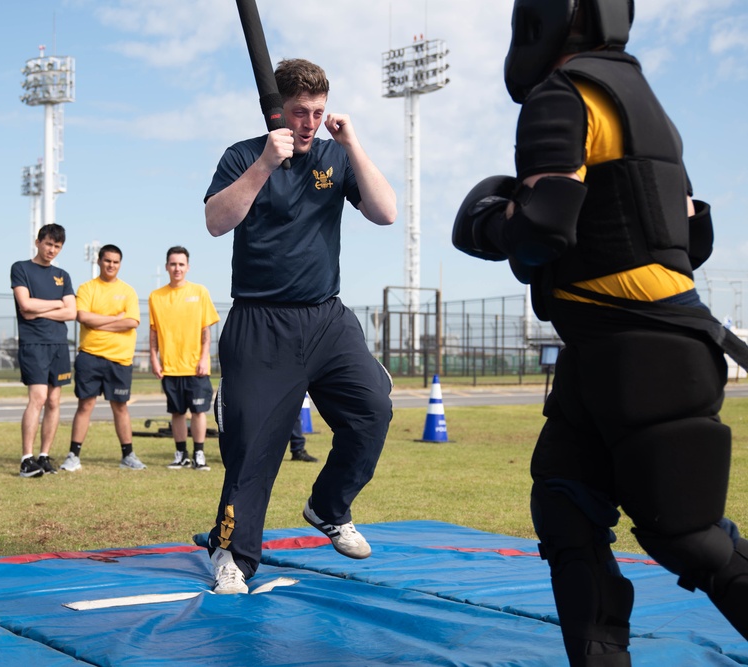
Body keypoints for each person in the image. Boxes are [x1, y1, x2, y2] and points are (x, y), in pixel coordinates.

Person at [452, 0, 748, 662]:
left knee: (688, 534)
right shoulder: (649, 108)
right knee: (564, 502)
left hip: (644, 352)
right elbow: (694, 236)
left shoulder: (563, 94)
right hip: (613, 348)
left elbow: (545, 228)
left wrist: (490, 222)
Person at [203, 58, 396, 594]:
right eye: (299, 112)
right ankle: (233, 554)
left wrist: (353, 142)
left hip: (325, 317)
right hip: (261, 320)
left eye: (318, 112)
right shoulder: (245, 155)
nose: (310, 122)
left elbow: (386, 212)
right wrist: (264, 163)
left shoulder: (335, 154)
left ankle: (328, 506)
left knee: (372, 409)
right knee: (251, 445)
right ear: (277, 111)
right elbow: (217, 222)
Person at [66, 244, 145, 471]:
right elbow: (82, 316)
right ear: (99, 261)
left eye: (116, 262)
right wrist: (115, 319)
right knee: (85, 405)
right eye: (107, 260)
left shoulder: (128, 291)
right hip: (90, 356)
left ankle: (128, 455)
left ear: (120, 264)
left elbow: (131, 322)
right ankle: (73, 455)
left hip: (119, 359)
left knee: (120, 407)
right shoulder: (87, 288)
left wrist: (99, 320)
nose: (111, 265)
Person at [11, 224, 77, 478]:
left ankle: (44, 455)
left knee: (54, 401)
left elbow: (71, 312)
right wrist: (57, 304)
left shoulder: (63, 275)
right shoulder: (21, 268)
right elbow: (25, 305)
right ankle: (27, 458)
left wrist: (40, 309)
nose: (52, 250)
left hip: (59, 345)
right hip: (33, 344)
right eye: (48, 244)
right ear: (38, 242)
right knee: (37, 398)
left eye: (57, 246)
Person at [148, 246, 220, 472]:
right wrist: (154, 358)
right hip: (170, 366)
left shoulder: (199, 292)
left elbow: (205, 330)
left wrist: (203, 358)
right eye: (173, 264)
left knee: (198, 412)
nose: (177, 268)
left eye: (181, 264)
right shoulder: (156, 296)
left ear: (187, 267)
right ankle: (181, 455)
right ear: (167, 266)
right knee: (177, 412)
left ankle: (199, 454)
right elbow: (153, 332)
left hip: (195, 367)